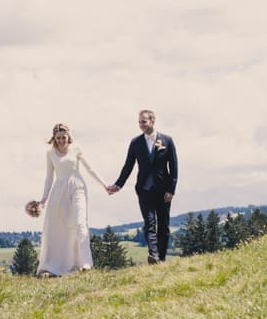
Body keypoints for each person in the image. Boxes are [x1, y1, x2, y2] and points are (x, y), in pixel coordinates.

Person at [31, 123, 109, 276]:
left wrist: (104, 185)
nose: (61, 141)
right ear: (54, 138)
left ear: (68, 136)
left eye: (63, 137)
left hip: (77, 187)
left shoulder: (76, 149)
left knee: (80, 223)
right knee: (57, 226)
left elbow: (90, 169)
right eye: (58, 138)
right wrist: (43, 201)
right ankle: (55, 265)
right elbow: (49, 178)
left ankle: (85, 263)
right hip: (59, 191)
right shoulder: (50, 153)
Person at [107, 109, 178, 264]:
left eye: (144, 121)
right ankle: (153, 255)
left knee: (163, 225)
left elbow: (174, 168)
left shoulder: (167, 140)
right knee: (149, 223)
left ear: (152, 121)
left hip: (163, 191)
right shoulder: (135, 143)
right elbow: (128, 166)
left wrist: (171, 190)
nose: (141, 125)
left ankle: (162, 258)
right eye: (139, 122)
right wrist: (118, 185)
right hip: (144, 190)